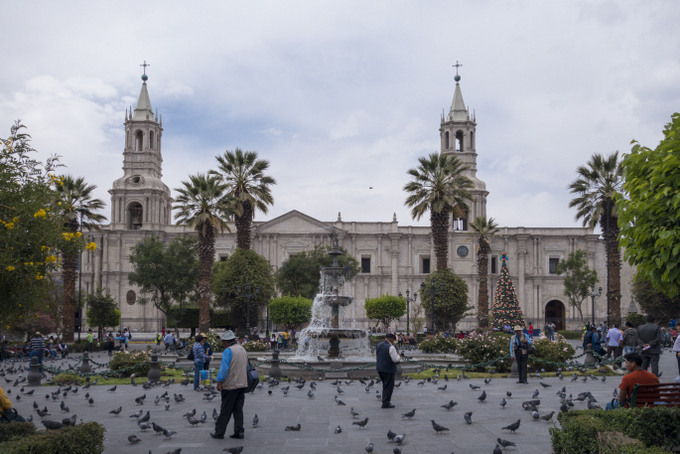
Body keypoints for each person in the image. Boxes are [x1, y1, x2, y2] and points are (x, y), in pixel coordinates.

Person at [211, 330, 248, 440]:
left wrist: (219, 382)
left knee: (225, 410)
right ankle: (239, 431)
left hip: (231, 384)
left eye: (223, 342)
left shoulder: (228, 351)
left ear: (227, 342)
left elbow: (224, 369)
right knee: (238, 409)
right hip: (242, 383)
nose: (223, 344)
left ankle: (219, 432)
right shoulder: (242, 349)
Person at [375, 333, 401, 409]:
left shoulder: (379, 345)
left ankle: (384, 401)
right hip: (388, 369)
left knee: (385, 385)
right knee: (389, 386)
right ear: (390, 339)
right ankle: (386, 403)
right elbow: (395, 359)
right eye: (393, 340)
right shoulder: (391, 347)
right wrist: (399, 356)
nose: (393, 342)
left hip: (380, 368)